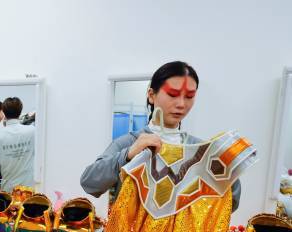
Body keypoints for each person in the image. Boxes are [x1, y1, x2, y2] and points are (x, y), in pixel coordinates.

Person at [80, 61, 241, 211]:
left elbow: (230, 205)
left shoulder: (200, 150)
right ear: (151, 95)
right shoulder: (130, 143)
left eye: (189, 96)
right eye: (172, 94)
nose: (181, 104)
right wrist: (128, 155)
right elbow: (89, 183)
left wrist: (227, 172)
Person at [0, 97, 35, 192]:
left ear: (4, 112)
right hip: (30, 188)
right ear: (20, 110)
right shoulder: (33, 131)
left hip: (8, 191)